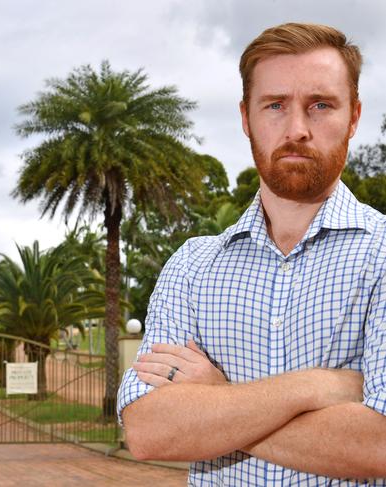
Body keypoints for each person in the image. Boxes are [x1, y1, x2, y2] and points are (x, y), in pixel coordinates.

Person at [118, 22, 386, 486]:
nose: (297, 129)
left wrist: (217, 401)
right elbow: (148, 430)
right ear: (246, 118)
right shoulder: (192, 265)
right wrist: (319, 386)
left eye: (320, 105)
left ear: (354, 116)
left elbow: (379, 445)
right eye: (275, 105)